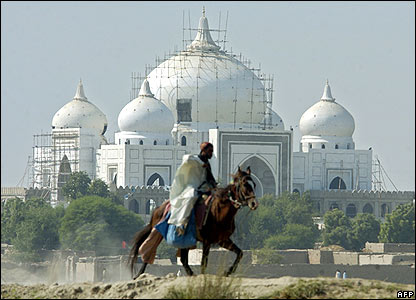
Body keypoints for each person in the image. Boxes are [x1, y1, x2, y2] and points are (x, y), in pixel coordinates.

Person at [167, 142, 217, 233]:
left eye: (212, 151)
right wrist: (200, 163)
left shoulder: (207, 163)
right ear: (203, 150)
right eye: (209, 151)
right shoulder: (194, 159)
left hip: (204, 188)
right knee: (191, 196)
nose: (211, 154)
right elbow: (186, 158)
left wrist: (215, 186)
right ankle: (181, 223)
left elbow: (210, 178)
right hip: (192, 186)